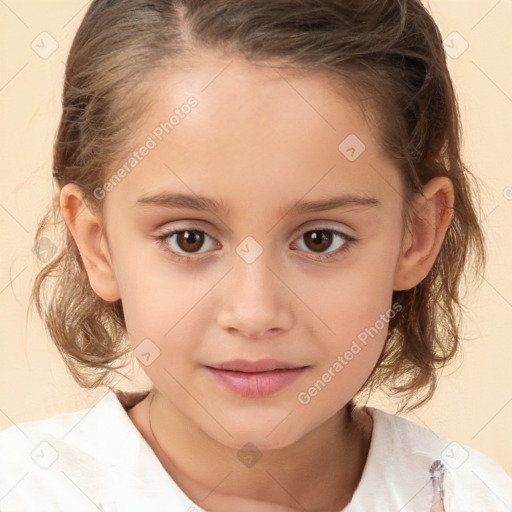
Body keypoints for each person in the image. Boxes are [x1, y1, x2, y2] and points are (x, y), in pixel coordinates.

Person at [0, 0, 510, 510]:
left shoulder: (474, 497)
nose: (254, 313)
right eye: (189, 239)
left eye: (320, 240)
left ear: (415, 235)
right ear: (98, 246)